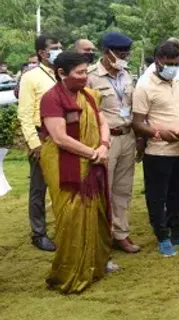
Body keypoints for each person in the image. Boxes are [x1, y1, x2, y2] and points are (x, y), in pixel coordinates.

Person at [39, 51, 112, 293]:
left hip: (93, 157)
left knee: (95, 210)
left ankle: (94, 265)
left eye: (86, 72)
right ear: (61, 73)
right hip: (63, 164)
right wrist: (93, 153)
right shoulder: (51, 99)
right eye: (79, 73)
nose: (84, 77)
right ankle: (69, 272)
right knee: (71, 215)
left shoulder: (89, 96)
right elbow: (60, 138)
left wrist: (103, 145)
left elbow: (103, 123)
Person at [132, 41, 179, 257]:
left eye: (177, 63)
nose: (174, 68)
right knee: (158, 196)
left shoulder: (178, 82)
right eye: (170, 64)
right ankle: (162, 237)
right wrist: (157, 133)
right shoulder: (144, 86)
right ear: (158, 61)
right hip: (159, 151)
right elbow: (137, 123)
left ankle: (178, 233)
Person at [87, 32, 141, 254]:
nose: (124, 58)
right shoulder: (91, 77)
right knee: (102, 190)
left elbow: (132, 107)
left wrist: (139, 138)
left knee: (123, 189)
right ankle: (101, 236)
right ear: (106, 52)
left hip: (127, 136)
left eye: (126, 53)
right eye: (120, 54)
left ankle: (121, 234)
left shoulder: (126, 75)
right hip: (105, 139)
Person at [17, 34, 62, 252]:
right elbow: (24, 114)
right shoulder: (31, 77)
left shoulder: (61, 73)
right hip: (41, 136)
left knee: (63, 184)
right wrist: (34, 143)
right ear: (42, 53)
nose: (59, 50)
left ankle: (63, 226)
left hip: (63, 135)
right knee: (39, 188)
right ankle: (39, 233)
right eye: (55, 47)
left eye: (61, 47)